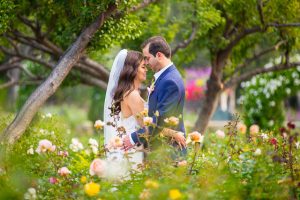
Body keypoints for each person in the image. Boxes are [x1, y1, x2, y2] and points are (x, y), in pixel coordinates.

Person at [122, 36, 187, 157]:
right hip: (161, 152)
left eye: (147, 58)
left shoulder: (170, 81)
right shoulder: (164, 77)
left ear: (159, 55)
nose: (146, 63)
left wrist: (132, 138)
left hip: (169, 153)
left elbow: (160, 121)